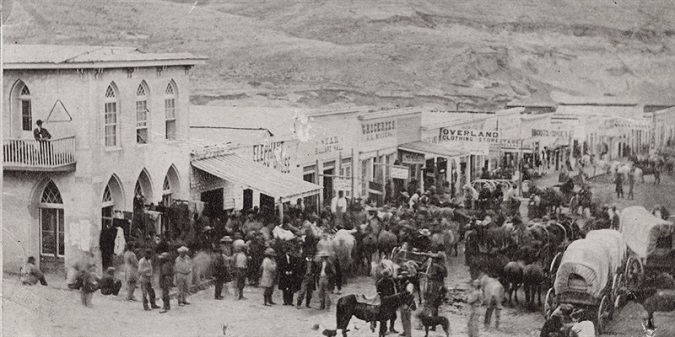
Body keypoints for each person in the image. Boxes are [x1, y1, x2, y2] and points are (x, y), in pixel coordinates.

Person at [376, 268, 399, 335]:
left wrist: (393, 298)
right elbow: (378, 293)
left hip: (391, 300)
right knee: (384, 316)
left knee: (394, 315)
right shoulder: (380, 282)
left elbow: (393, 290)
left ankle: (391, 328)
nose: (386, 277)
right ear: (383, 275)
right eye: (385, 275)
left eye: (387, 275)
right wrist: (383, 297)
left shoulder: (391, 281)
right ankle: (384, 329)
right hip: (384, 301)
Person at [398, 270, 417, 337]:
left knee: (407, 319)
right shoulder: (403, 284)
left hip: (406, 304)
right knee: (403, 318)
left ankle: (408, 334)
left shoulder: (409, 285)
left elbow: (410, 296)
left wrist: (407, 305)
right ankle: (405, 331)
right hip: (402, 303)